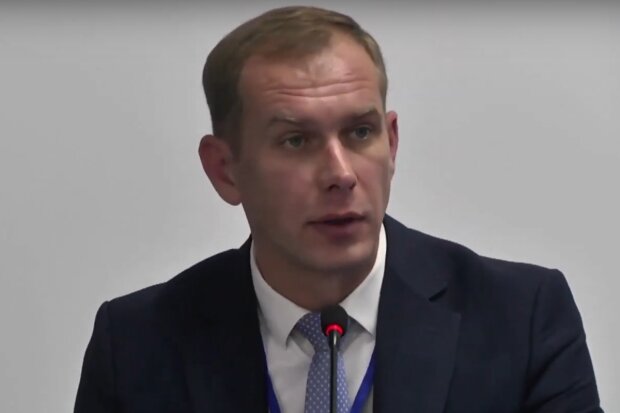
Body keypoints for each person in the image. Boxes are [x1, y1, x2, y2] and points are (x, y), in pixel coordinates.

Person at [74, 6, 603, 413]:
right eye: (296, 141)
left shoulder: (520, 317)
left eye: (360, 132)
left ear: (392, 142)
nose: (341, 173)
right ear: (225, 169)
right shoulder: (139, 344)